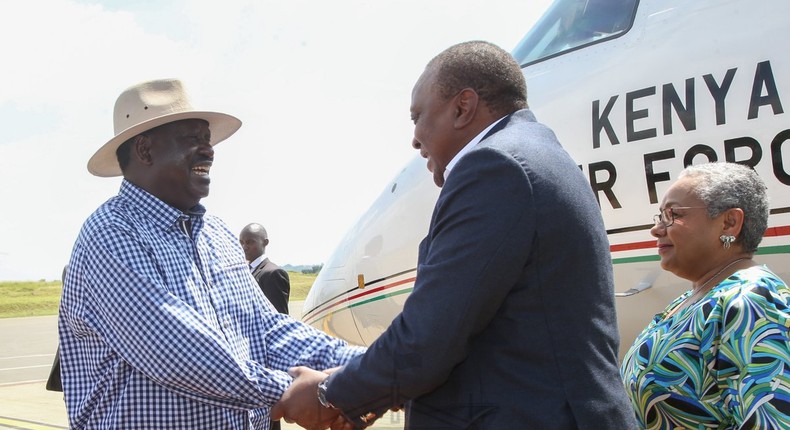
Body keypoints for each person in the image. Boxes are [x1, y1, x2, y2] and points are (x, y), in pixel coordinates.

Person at [273, 40, 635, 429]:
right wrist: (373, 393)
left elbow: (428, 339)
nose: (415, 138)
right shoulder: (534, 155)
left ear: (462, 108)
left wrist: (331, 393)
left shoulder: (494, 167)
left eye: (418, 116)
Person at [59, 78, 364, 429]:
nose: (209, 150)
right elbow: (176, 349)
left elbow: (266, 331)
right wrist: (312, 392)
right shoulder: (111, 232)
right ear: (145, 151)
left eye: (208, 140)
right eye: (193, 140)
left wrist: (364, 370)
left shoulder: (217, 233)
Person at [620, 162, 790, 429]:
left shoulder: (752, 302)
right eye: (660, 216)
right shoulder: (694, 299)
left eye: (673, 214)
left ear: (729, 223)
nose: (657, 229)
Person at [240, 223, 290, 315]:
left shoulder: (273, 274)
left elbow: (279, 317)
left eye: (250, 242)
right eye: (241, 243)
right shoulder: (245, 272)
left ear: (265, 242)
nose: (244, 247)